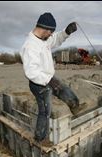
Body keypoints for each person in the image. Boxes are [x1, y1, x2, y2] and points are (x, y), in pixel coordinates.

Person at [20, 12, 85, 145]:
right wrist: (48, 81)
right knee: (45, 111)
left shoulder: (44, 39)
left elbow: (55, 39)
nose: (51, 35)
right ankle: (40, 139)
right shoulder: (30, 46)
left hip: (49, 77)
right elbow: (31, 72)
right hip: (38, 84)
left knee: (64, 90)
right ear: (44, 29)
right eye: (50, 32)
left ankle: (75, 106)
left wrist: (66, 32)